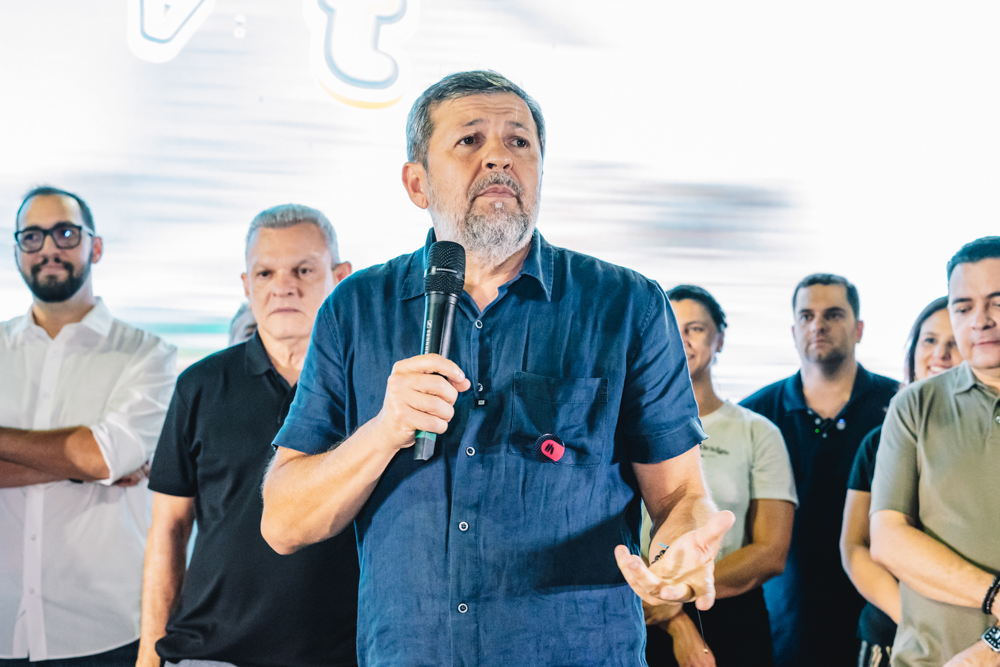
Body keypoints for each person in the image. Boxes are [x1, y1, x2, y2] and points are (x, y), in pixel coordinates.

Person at [259, 70, 735, 667]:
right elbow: (285, 523)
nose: (498, 158)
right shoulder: (355, 310)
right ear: (416, 183)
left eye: (518, 142)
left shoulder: (626, 305)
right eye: (470, 140)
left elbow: (681, 495)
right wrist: (383, 432)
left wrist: (682, 547)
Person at [137, 205, 357, 667]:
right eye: (265, 272)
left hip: (341, 654)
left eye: (303, 270)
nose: (283, 286)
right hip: (210, 652)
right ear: (246, 285)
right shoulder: (199, 386)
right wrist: (148, 657)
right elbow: (169, 528)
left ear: (340, 276)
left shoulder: (373, 388)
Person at [0, 186, 177, 665]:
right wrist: (81, 467)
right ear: (16, 252)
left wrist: (97, 461)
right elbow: (100, 461)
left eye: (65, 233)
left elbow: (103, 455)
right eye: (32, 237)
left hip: (104, 630)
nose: (48, 248)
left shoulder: (150, 355)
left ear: (94, 247)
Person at [740, 273, 899, 667]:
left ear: (859, 328)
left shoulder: (899, 407)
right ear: (794, 331)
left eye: (833, 314)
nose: (818, 325)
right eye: (807, 316)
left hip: (880, 615)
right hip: (785, 619)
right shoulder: (755, 415)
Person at [643, 285, 797, 667]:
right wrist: (674, 618)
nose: (682, 339)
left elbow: (770, 552)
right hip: (640, 612)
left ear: (720, 339)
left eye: (695, 328)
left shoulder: (757, 431)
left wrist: (677, 596)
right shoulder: (627, 429)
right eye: (672, 329)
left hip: (730, 616)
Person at [870, 237, 1000, 667]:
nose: (980, 321)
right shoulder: (915, 404)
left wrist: (992, 648)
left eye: (997, 303)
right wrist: (995, 596)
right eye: (963, 307)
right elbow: (887, 540)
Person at [840, 297, 961, 667]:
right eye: (929, 340)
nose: (940, 353)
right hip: (890, 636)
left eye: (954, 342)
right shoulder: (879, 441)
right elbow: (855, 546)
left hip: (974, 635)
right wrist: (911, 621)